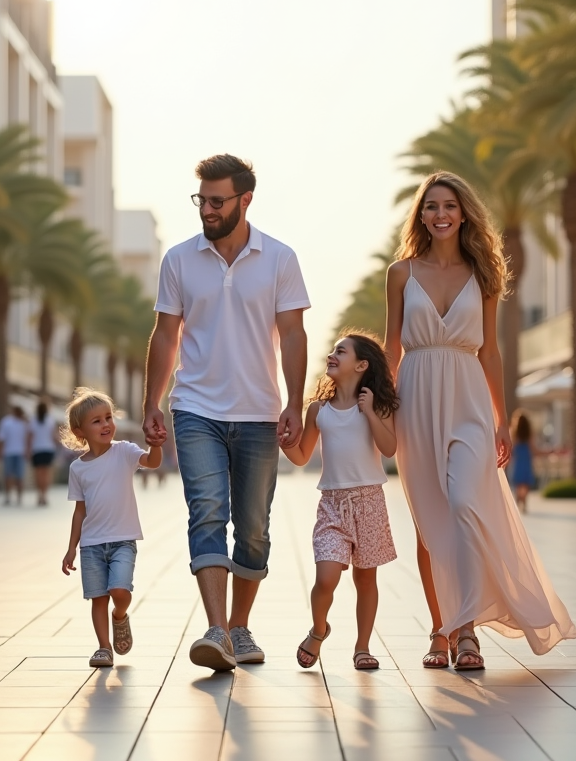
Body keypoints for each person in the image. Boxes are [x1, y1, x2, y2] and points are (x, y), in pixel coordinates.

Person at [385, 171, 576, 672]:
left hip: (469, 398)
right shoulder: (401, 274)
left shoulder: (484, 273)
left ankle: (467, 628)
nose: (440, 214)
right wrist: (379, 409)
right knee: (432, 524)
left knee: (468, 507)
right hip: (416, 396)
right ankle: (444, 630)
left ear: (464, 212)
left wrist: (500, 418)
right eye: (431, 207)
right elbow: (390, 347)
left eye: (448, 205)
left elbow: (491, 352)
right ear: (421, 216)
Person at [143, 154, 309, 671]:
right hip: (195, 407)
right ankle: (216, 629)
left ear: (245, 200)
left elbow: (293, 334)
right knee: (208, 511)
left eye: (218, 201)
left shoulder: (280, 258)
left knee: (254, 528)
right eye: (202, 200)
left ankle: (239, 629)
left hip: (259, 411)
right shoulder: (178, 259)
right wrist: (152, 400)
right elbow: (166, 335)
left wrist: (295, 403)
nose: (208, 210)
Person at [281, 332, 399, 671]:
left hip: (370, 501)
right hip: (333, 504)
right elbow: (302, 456)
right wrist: (285, 443)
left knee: (365, 580)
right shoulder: (318, 410)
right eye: (332, 350)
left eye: (340, 352)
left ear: (361, 365)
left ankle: (362, 646)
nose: (332, 355)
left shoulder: (378, 405)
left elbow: (389, 449)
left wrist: (370, 413)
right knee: (326, 577)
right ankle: (319, 629)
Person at [61, 389, 162, 668]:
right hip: (91, 544)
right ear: (79, 430)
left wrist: (156, 444)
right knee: (97, 599)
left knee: (119, 591)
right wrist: (71, 548)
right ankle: (104, 648)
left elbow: (152, 462)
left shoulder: (124, 451)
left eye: (108, 417)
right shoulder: (78, 469)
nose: (105, 424)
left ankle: (120, 615)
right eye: (96, 421)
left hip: (123, 541)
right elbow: (79, 511)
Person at [0, 406, 31, 505]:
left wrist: (28, 451)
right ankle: (8, 496)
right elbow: (1, 438)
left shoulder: (25, 423)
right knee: (8, 475)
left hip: (20, 453)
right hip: (8, 452)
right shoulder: (6, 422)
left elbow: (29, 437)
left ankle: (19, 497)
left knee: (19, 476)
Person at [30, 402, 60, 507]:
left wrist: (28, 449)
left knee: (38, 474)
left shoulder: (33, 420)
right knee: (47, 474)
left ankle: (39, 495)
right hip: (48, 449)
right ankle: (45, 495)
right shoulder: (50, 420)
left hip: (36, 449)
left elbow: (30, 436)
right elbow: (54, 436)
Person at [508, 411, 537, 514]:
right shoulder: (528, 434)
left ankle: (518, 502)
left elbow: (511, 448)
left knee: (518, 484)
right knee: (525, 483)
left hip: (518, 461)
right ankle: (524, 503)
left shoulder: (513, 433)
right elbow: (533, 449)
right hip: (526, 461)